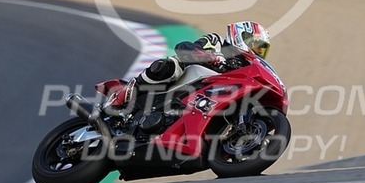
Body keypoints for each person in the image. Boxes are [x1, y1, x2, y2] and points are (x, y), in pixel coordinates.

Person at [107, 21, 271, 112]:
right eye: (256, 45)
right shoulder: (218, 42)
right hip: (185, 80)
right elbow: (184, 47)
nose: (258, 51)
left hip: (206, 100)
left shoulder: (245, 67)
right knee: (170, 65)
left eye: (262, 49)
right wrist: (209, 57)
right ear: (241, 35)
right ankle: (125, 93)